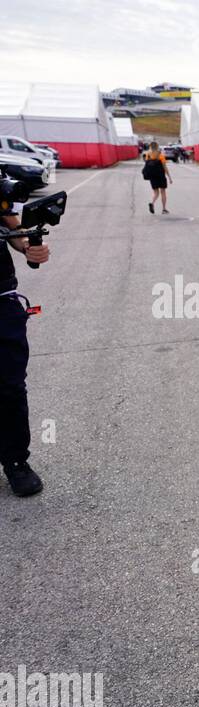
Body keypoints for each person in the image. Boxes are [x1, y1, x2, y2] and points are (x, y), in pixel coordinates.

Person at [0, 182, 52, 497]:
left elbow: (9, 221)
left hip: (1, 298)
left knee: (9, 386)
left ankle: (16, 460)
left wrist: (27, 246)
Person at [143, 141, 172, 214]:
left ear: (150, 147)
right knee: (163, 192)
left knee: (156, 193)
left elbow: (147, 165)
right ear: (157, 147)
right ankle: (164, 209)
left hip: (152, 177)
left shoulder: (148, 155)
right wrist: (169, 177)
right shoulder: (160, 155)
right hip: (161, 176)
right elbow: (165, 167)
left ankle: (152, 203)